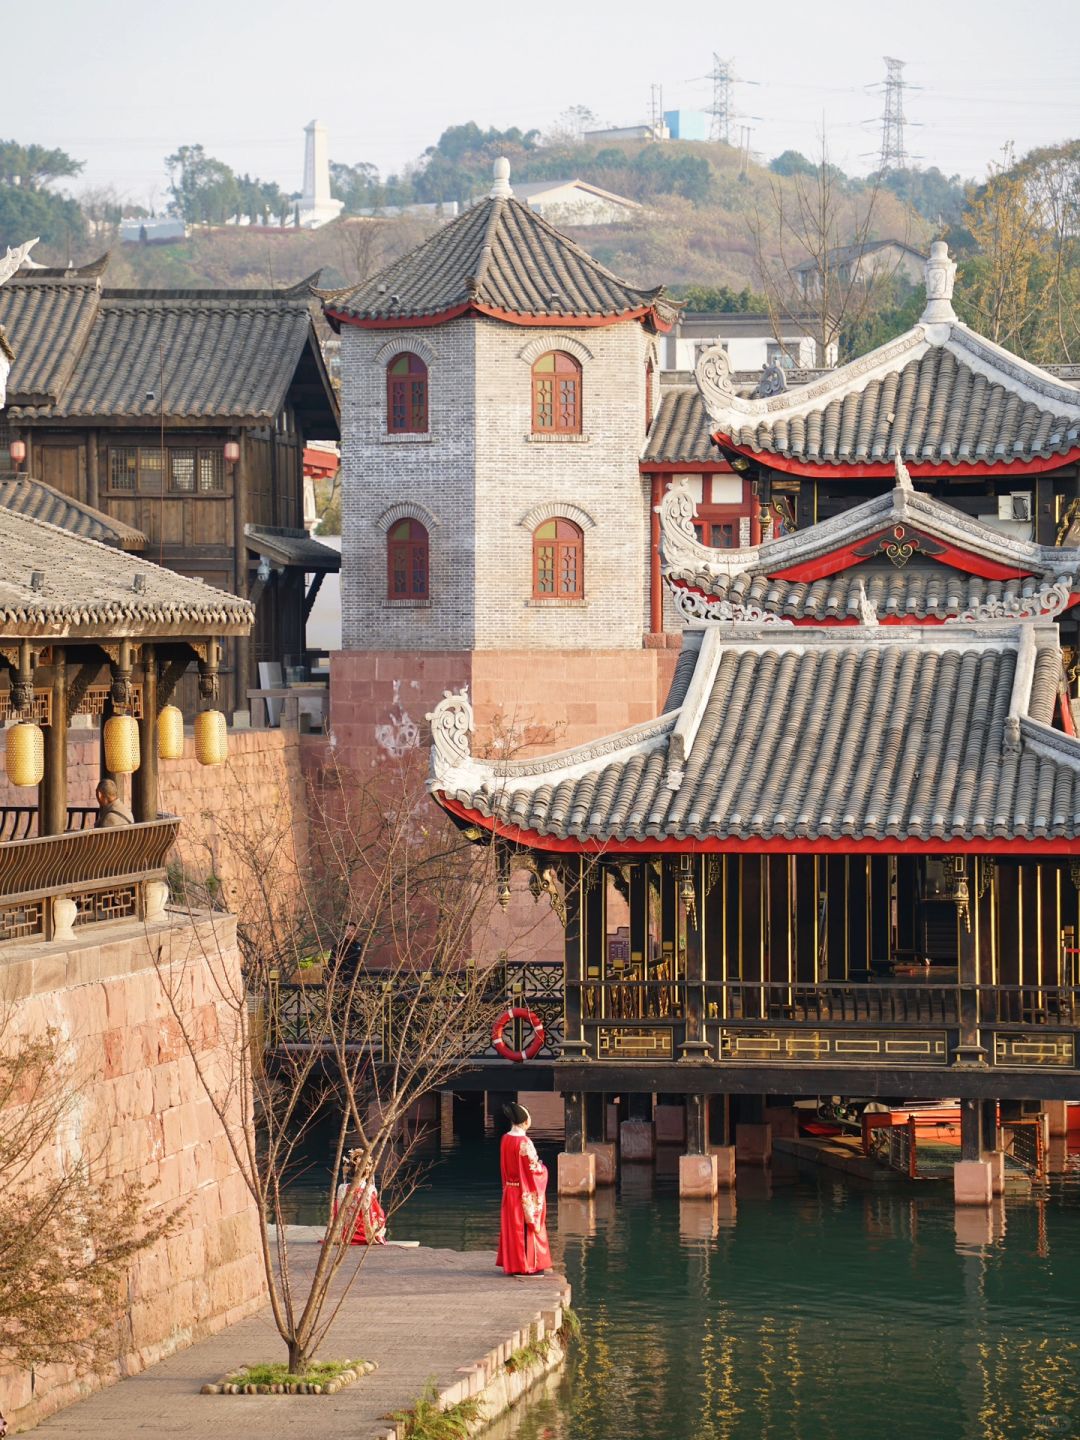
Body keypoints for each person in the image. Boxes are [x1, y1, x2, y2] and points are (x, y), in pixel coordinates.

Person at [496, 1102, 552, 1277]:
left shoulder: (505, 1138)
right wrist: (543, 1169)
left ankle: (513, 1264)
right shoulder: (525, 1142)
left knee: (513, 1229)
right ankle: (528, 1266)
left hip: (509, 1190)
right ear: (526, 1121)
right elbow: (533, 1170)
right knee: (526, 1229)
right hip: (523, 1192)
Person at [332, 1149, 387, 1246]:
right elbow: (377, 1213)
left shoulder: (342, 1188)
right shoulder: (369, 1190)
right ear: (368, 1172)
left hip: (344, 1234)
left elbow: (336, 1213)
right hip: (364, 1234)